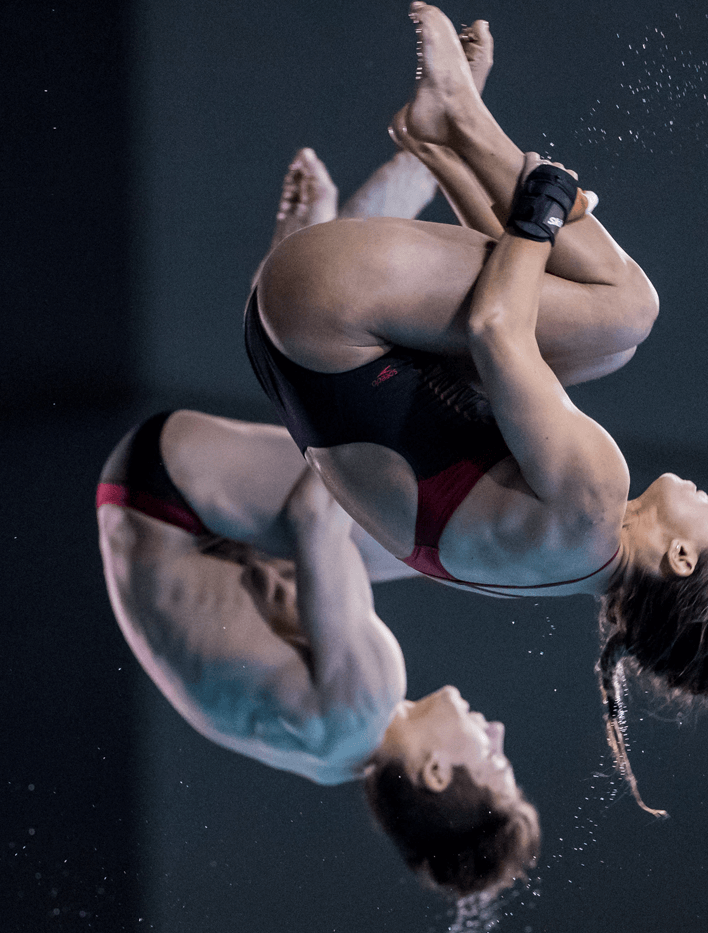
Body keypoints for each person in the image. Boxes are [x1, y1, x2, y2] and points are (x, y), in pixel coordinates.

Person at [246, 4, 708, 815]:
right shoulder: (556, 570)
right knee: (602, 340)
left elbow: (497, 325)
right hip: (286, 345)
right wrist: (509, 206)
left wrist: (544, 207)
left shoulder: (599, 491)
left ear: (681, 558)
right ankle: (440, 131)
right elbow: (501, 311)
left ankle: (461, 118)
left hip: (326, 305)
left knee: (630, 310)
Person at [97, 130, 537, 897]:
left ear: (435, 772)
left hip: (169, 500)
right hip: (160, 514)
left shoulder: (368, 699)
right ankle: (303, 279)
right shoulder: (334, 752)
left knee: (427, 501)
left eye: (492, 758)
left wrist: (420, 400)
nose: (496, 731)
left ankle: (323, 262)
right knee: (413, 528)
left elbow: (313, 507)